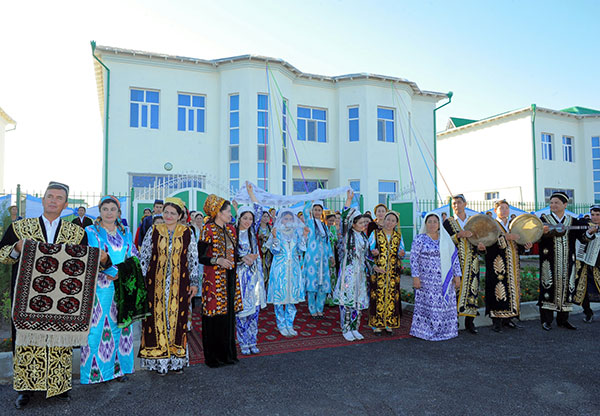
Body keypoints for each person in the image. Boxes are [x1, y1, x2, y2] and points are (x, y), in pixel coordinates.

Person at [0, 182, 108, 408]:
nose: (53, 200)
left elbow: (86, 262)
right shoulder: (21, 227)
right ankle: (25, 389)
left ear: (65, 204)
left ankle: (59, 386)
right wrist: (17, 248)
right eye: (50, 196)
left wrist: (104, 260)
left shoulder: (76, 232)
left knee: (60, 340)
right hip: (27, 298)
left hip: (63, 299)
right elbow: (2, 255)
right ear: (43, 200)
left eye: (59, 198)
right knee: (26, 341)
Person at [81, 196, 139, 384]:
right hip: (99, 287)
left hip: (121, 286)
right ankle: (94, 374)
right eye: (105, 209)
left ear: (118, 212)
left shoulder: (125, 232)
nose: (108, 212)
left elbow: (133, 256)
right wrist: (109, 270)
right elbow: (90, 254)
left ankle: (118, 371)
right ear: (99, 211)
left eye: (112, 209)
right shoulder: (91, 231)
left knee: (119, 328)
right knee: (96, 330)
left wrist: (122, 272)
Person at [139, 197, 199, 374]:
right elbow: (145, 256)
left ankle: (175, 361)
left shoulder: (187, 232)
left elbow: (193, 259)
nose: (168, 215)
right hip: (154, 283)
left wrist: (194, 282)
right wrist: (143, 281)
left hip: (179, 283)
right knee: (155, 319)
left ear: (180, 215)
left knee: (177, 319)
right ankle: (156, 362)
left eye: (173, 213)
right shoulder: (154, 230)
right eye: (166, 212)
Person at [539, 192, 597, 330]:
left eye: (556, 203)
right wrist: (541, 232)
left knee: (567, 287)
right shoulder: (543, 220)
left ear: (565, 205)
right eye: (551, 202)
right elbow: (535, 237)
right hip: (549, 261)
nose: (553, 205)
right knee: (548, 286)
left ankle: (563, 319)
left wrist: (590, 232)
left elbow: (582, 237)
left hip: (567, 261)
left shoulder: (572, 221)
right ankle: (546, 320)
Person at [198, 194, 242, 367]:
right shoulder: (207, 230)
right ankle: (213, 357)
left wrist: (243, 258)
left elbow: (234, 253)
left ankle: (228, 355)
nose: (230, 214)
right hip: (214, 279)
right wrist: (217, 260)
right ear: (217, 212)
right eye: (227, 211)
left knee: (228, 315)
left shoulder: (231, 230)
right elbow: (201, 257)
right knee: (214, 316)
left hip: (230, 278)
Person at [478, 200, 532, 333]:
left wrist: (526, 247)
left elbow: (519, 242)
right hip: (496, 262)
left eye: (506, 208)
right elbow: (487, 242)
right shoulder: (491, 225)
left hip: (512, 263)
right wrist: (505, 238)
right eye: (500, 208)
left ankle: (509, 319)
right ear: (495, 210)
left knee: (511, 289)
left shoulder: (514, 225)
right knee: (498, 289)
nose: (503, 210)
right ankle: (496, 320)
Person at [409, 212, 462, 341]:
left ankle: (445, 330)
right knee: (428, 306)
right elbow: (413, 259)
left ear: (439, 224)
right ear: (425, 224)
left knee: (444, 305)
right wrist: (415, 277)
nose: (432, 224)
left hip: (445, 280)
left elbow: (454, 258)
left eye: (435, 221)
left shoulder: (446, 239)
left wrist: (457, 276)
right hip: (426, 281)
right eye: (429, 222)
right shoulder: (419, 239)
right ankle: (425, 331)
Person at [333, 190, 373, 341]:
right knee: (347, 300)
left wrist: (373, 267)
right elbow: (344, 218)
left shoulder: (364, 237)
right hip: (348, 273)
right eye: (361, 222)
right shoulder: (347, 234)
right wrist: (348, 200)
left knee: (358, 300)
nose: (364, 225)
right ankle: (346, 328)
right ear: (353, 223)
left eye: (365, 222)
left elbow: (366, 256)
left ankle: (355, 327)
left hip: (360, 274)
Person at [234, 183, 267, 354]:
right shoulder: (232, 234)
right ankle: (242, 341)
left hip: (254, 276)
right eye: (244, 218)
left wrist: (250, 193)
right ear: (238, 218)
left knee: (254, 309)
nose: (247, 221)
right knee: (241, 311)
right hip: (240, 276)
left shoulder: (252, 232)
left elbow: (259, 209)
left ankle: (252, 340)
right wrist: (242, 259)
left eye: (250, 218)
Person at [266, 210, 309, 336]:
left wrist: (305, 236)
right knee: (280, 298)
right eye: (286, 219)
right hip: (280, 269)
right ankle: (281, 324)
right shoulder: (276, 232)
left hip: (294, 270)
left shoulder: (296, 233)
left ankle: (289, 324)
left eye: (291, 219)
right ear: (281, 220)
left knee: (292, 298)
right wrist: (274, 237)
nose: (288, 221)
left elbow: (301, 249)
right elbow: (275, 251)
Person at [443, 194, 480, 334]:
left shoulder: (473, 221)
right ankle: (454, 321)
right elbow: (444, 242)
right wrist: (457, 236)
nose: (456, 206)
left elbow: (480, 238)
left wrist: (481, 246)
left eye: (459, 202)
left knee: (472, 290)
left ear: (465, 204)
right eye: (454, 204)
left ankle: (470, 322)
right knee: (455, 290)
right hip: (455, 262)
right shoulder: (448, 222)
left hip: (472, 261)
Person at [368, 211, 405, 334]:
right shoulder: (375, 234)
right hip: (378, 271)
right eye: (388, 219)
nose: (390, 223)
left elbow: (402, 252)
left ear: (396, 223)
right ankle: (376, 324)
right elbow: (367, 251)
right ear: (383, 221)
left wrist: (401, 254)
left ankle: (389, 322)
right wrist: (373, 254)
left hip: (393, 272)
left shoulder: (398, 236)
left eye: (393, 221)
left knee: (392, 296)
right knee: (377, 296)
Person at [303, 201, 334, 318]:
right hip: (312, 258)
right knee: (312, 285)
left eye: (319, 210)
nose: (317, 212)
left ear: (322, 212)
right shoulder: (309, 223)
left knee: (323, 285)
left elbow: (328, 243)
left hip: (324, 259)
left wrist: (331, 256)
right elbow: (305, 212)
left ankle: (320, 308)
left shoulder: (325, 226)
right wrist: (311, 200)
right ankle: (312, 310)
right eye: (315, 210)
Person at [574, 205, 600, 323]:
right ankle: (588, 312)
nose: (594, 217)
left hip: (598, 263)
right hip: (584, 261)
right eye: (592, 214)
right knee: (581, 288)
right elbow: (582, 239)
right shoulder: (585, 225)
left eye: (597, 215)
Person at [325, 211, 340, 307]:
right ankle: (325, 297)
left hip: (333, 254)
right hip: (324, 254)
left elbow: (336, 240)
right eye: (330, 220)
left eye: (333, 221)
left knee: (333, 276)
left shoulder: (334, 228)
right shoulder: (324, 228)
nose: (331, 222)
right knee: (325, 275)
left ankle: (332, 296)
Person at [257, 210, 273, 289]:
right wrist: (259, 237)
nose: (266, 218)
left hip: (268, 253)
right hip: (260, 252)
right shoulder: (257, 228)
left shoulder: (270, 228)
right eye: (264, 216)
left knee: (268, 270)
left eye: (267, 216)